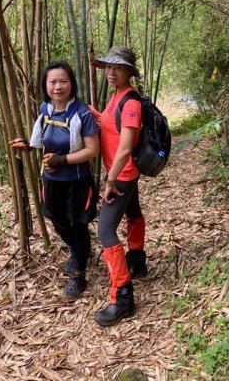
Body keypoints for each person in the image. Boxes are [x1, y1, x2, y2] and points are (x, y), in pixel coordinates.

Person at [9, 61, 99, 299]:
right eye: (53, 82)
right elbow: (44, 139)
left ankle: (79, 274)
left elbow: (92, 150)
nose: (58, 86)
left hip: (78, 180)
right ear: (46, 85)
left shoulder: (82, 113)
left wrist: (64, 160)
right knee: (57, 220)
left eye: (63, 81)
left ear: (72, 84)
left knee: (79, 224)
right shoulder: (46, 109)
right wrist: (29, 145)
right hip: (51, 179)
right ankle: (79, 251)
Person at [91, 46, 147, 327]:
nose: (111, 72)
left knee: (105, 230)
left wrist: (110, 181)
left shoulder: (131, 103)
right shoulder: (116, 97)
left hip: (122, 174)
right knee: (133, 212)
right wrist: (95, 115)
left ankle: (123, 297)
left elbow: (125, 147)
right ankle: (137, 260)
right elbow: (110, 124)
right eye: (108, 67)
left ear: (128, 72)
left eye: (118, 68)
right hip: (122, 172)